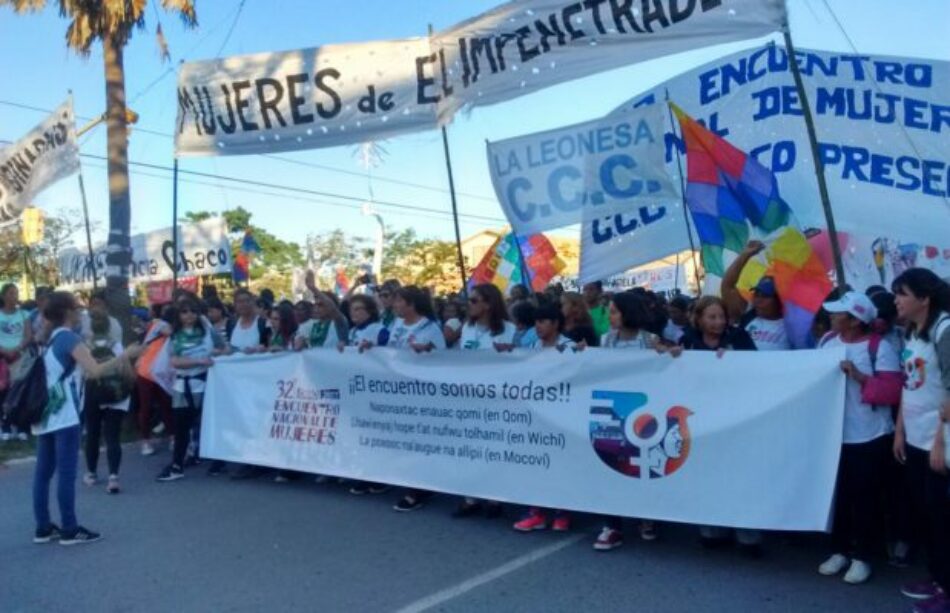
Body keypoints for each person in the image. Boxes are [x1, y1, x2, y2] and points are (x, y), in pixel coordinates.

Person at [32, 291, 141, 545]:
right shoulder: (69, 338)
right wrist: (125, 356)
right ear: (68, 313)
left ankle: (43, 527)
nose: (82, 313)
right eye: (78, 309)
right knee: (66, 473)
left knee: (43, 473)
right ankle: (69, 529)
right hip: (65, 414)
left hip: (45, 412)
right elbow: (94, 371)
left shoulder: (50, 339)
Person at [816, 292, 901, 585]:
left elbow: (892, 392)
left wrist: (860, 377)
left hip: (870, 435)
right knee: (838, 494)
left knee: (866, 497)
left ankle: (863, 555)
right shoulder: (828, 341)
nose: (831, 316)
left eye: (838, 313)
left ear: (853, 321)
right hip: (833, 434)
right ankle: (839, 549)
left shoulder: (881, 348)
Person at [679, 296, 762, 556]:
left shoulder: (739, 339)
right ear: (699, 319)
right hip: (701, 420)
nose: (717, 322)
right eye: (711, 317)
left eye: (721, 317)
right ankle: (712, 529)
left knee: (739, 476)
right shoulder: (687, 341)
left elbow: (759, 370)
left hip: (736, 418)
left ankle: (747, 533)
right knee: (708, 475)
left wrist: (736, 361)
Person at [890, 269, 950, 611]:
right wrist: (900, 430)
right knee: (926, 515)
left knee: (941, 518)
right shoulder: (911, 331)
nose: (897, 300)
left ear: (924, 299)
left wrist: (941, 441)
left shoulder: (945, 331)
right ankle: (938, 577)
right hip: (914, 439)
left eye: (903, 293)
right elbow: (909, 384)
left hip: (937, 443)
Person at [594, 292, 664, 551]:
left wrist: (669, 354)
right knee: (611, 467)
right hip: (613, 414)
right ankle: (612, 525)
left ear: (628, 313)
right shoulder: (606, 341)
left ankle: (648, 517)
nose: (610, 316)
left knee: (642, 467)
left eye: (614, 311)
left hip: (644, 415)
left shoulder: (650, 340)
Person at [453, 284, 516, 519]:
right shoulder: (467, 328)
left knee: (494, 447)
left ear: (488, 303)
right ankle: (471, 496)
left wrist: (510, 352)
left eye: (474, 300)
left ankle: (495, 497)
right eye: (469, 300)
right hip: (469, 395)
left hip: (496, 397)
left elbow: (518, 361)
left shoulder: (507, 329)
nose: (469, 305)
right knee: (470, 447)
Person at [513, 302, 576, 533]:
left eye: (543, 321)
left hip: (562, 417)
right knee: (537, 464)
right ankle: (537, 512)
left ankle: (563, 512)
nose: (538, 326)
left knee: (561, 465)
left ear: (556, 324)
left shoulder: (570, 348)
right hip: (536, 415)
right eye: (536, 322)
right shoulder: (531, 346)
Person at [386, 286, 445, 512]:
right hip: (397, 390)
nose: (395, 305)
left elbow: (442, 360)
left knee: (420, 440)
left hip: (422, 394)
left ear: (411, 304)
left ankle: (418, 488)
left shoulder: (430, 328)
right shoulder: (397, 325)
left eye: (399, 301)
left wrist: (427, 352)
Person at [157, 298, 216, 482]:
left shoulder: (207, 332)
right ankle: (177, 465)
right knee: (181, 428)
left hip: (205, 384)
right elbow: (174, 361)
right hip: (182, 387)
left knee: (207, 425)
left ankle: (212, 460)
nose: (189, 315)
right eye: (184, 311)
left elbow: (223, 348)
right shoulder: (175, 336)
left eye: (192, 311)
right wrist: (199, 361)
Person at [341, 294, 390, 496]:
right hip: (357, 387)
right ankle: (363, 473)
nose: (355, 313)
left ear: (370, 311)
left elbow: (390, 356)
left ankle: (379, 476)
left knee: (377, 434)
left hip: (376, 388)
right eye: (353, 309)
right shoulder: (353, 331)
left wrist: (374, 349)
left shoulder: (379, 330)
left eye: (359, 309)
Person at [82, 311, 134, 495]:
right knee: (112, 436)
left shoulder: (85, 346)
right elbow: (127, 370)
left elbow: (83, 372)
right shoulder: (117, 345)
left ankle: (91, 473)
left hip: (93, 392)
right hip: (115, 393)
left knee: (93, 434)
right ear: (110, 327)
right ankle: (113, 477)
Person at [722, 241, 791, 351]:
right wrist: (745, 255)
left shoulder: (791, 326)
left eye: (764, 296)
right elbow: (727, 286)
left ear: (778, 299)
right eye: (756, 294)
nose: (757, 299)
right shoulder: (749, 315)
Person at [135, 305, 175, 457]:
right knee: (146, 407)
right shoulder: (159, 324)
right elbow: (170, 333)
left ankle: (173, 436)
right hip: (147, 372)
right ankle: (145, 441)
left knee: (167, 406)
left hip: (162, 373)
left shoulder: (157, 324)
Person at [1, 283, 33, 441]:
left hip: (20, 357)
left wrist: (19, 348)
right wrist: (4, 350)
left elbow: (28, 335)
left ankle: (22, 426)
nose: (15, 296)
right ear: (4, 296)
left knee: (20, 392)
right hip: (2, 359)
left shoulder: (24, 314)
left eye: (16, 293)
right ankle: (5, 425)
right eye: (11, 293)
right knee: (4, 393)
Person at [225, 289, 270, 354]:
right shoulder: (231, 324)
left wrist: (263, 349)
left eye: (247, 301)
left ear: (253, 302)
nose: (244, 304)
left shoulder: (264, 323)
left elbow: (270, 347)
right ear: (235, 305)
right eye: (240, 302)